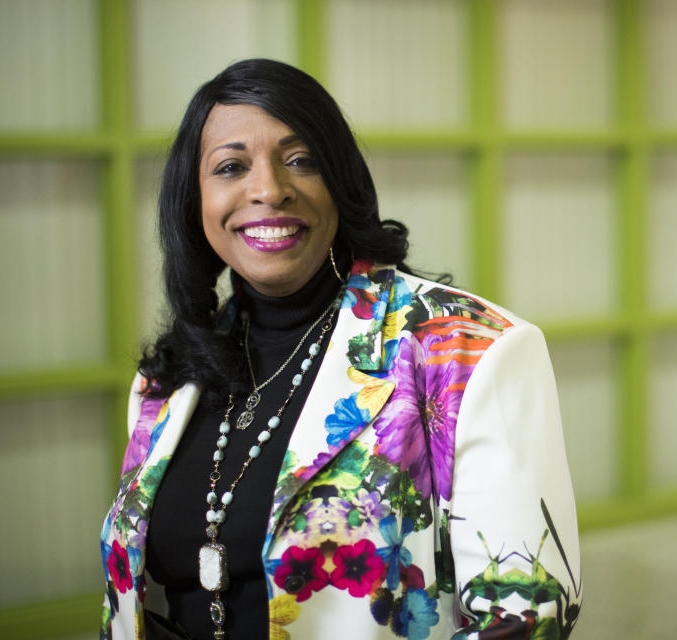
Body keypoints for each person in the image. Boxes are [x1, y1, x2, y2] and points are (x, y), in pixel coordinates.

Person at [100, 58, 581, 640]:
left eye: (300, 160)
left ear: (340, 180)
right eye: (230, 166)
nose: (270, 189)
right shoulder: (167, 380)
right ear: (194, 200)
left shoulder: (466, 352)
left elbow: (530, 617)